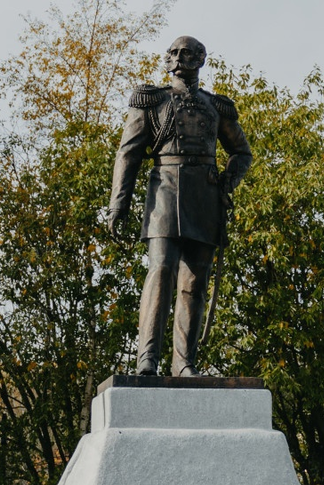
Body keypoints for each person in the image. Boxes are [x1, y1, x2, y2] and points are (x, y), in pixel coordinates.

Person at [107, 35, 252, 377]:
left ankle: (184, 362)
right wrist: (118, 205)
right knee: (160, 271)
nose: (178, 58)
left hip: (204, 198)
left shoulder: (218, 107)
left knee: (194, 282)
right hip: (165, 194)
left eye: (186, 53)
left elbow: (241, 152)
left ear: (201, 58)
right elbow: (127, 154)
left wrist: (228, 181)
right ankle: (147, 360)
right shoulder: (150, 100)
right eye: (172, 52)